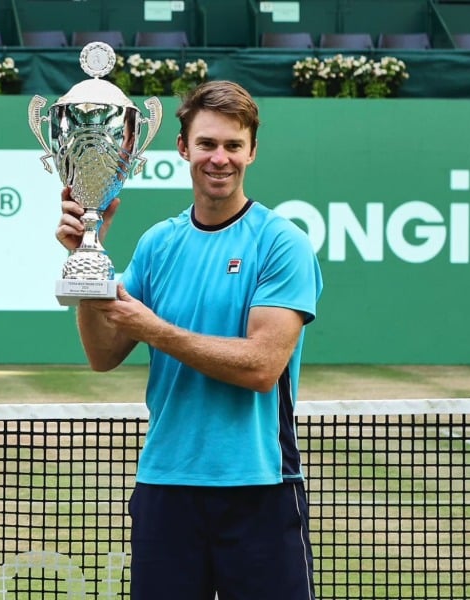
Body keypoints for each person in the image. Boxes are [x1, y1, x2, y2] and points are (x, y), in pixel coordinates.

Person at [55, 80, 323, 600]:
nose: (219, 158)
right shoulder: (159, 243)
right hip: (166, 486)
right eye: (206, 144)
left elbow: (261, 367)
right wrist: (87, 262)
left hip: (259, 487)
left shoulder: (281, 242)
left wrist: (153, 328)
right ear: (183, 148)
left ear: (252, 151)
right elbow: (103, 354)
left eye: (232, 145)